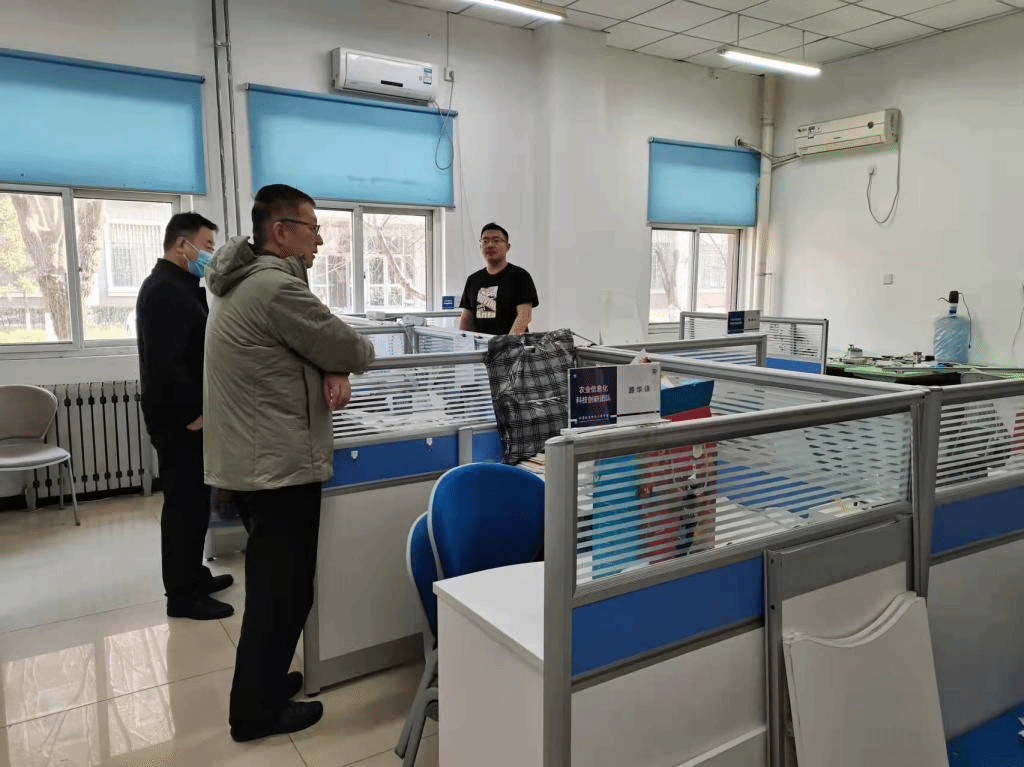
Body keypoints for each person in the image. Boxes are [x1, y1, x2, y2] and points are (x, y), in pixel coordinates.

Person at [203, 184, 375, 742]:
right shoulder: (276, 288)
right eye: (312, 228)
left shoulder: (243, 282)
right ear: (281, 232)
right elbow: (353, 347)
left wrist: (327, 364)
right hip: (275, 465)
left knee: (277, 588)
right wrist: (338, 361)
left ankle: (266, 684)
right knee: (282, 593)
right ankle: (253, 714)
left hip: (256, 460)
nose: (319, 240)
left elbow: (307, 348)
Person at [136, 212, 235, 622]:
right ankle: (181, 596)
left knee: (194, 504)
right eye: (207, 246)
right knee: (183, 507)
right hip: (180, 421)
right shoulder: (163, 290)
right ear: (182, 245)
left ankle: (193, 575)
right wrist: (192, 413)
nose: (211, 254)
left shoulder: (180, 285)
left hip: (188, 417)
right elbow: (167, 364)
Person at [458, 222, 539, 335]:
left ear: (507, 247)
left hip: (512, 344)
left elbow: (524, 317)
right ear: (480, 247)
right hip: (481, 345)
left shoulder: (520, 276)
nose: (490, 245)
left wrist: (506, 343)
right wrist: (461, 342)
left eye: (496, 240)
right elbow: (466, 320)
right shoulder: (473, 280)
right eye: (485, 241)